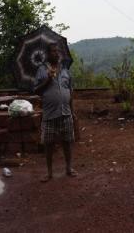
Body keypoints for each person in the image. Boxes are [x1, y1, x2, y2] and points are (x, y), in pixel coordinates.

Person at [34, 43, 77, 182]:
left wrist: (73, 111)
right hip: (50, 114)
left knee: (67, 142)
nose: (56, 53)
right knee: (49, 144)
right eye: (53, 51)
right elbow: (36, 90)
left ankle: (69, 168)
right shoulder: (41, 70)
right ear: (47, 54)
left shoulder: (64, 70)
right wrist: (48, 79)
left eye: (57, 51)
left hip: (66, 113)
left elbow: (70, 90)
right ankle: (49, 172)